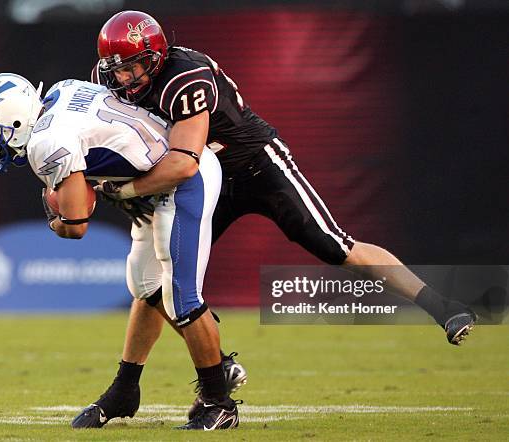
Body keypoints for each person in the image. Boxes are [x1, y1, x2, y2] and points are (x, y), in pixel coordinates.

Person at [89, 9, 478, 423]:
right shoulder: (105, 82)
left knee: (333, 245)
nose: (126, 79)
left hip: (254, 165)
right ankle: (136, 384)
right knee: (155, 278)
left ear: (157, 55)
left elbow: (184, 160)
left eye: (133, 66)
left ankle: (443, 305)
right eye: (118, 69)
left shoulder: (185, 76)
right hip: (204, 180)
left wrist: (124, 189)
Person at [0, 73, 241, 430]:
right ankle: (127, 389)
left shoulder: (45, 142)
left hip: (182, 179)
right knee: (144, 284)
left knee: (180, 296)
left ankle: (220, 403)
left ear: (14, 119)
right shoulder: (63, 89)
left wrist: (55, 217)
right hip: (155, 179)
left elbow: (77, 224)